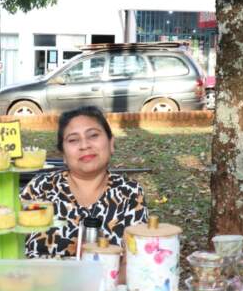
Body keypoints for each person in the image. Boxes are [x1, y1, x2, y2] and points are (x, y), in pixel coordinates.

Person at [21, 106, 149, 258]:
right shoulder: (41, 188)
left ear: (111, 143)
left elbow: (136, 261)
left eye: (93, 135)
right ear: (63, 154)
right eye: (73, 140)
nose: (84, 145)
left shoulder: (130, 192)